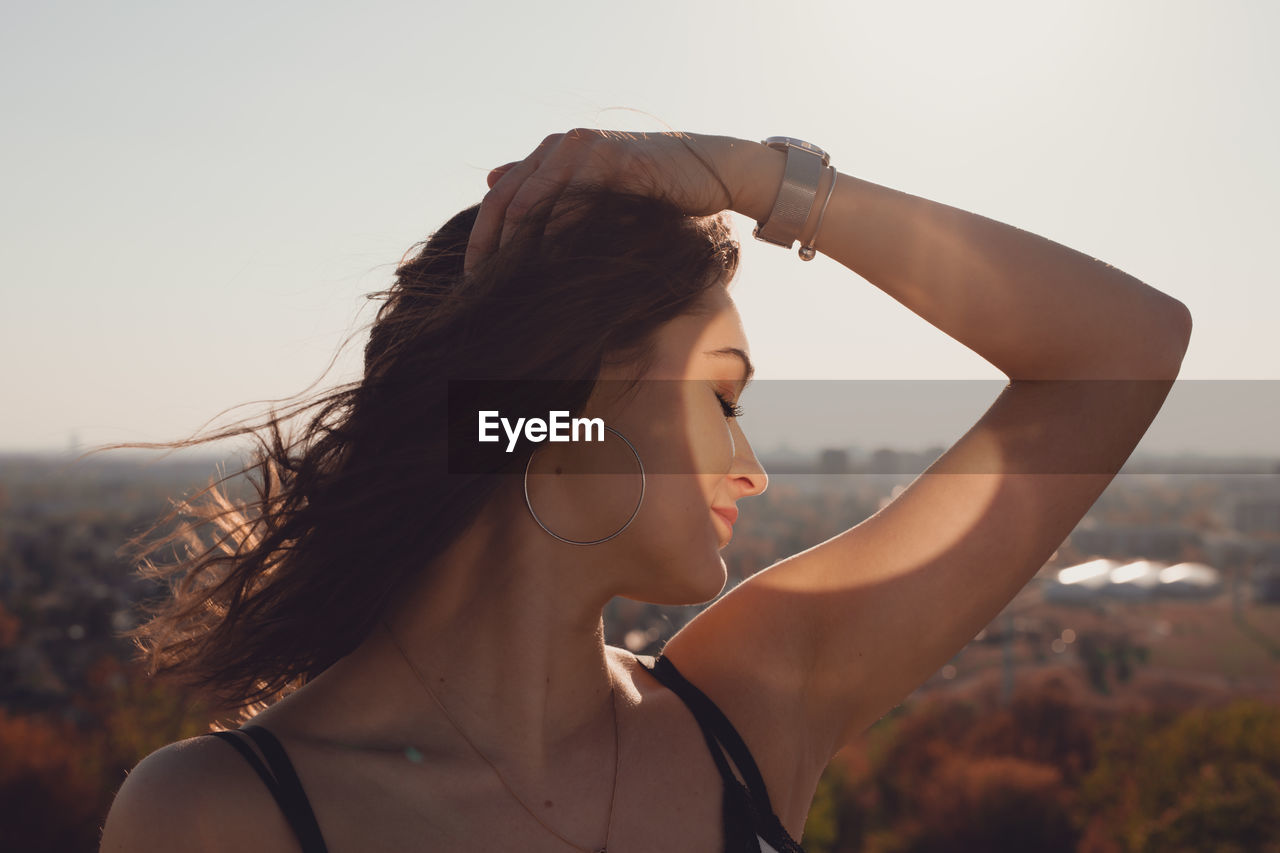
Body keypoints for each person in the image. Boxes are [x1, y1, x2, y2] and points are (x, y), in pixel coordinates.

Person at [98, 129, 1192, 852]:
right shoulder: (223, 815)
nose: (748, 463)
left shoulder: (752, 703)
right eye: (720, 399)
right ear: (573, 411)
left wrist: (758, 181)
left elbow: (1126, 346)